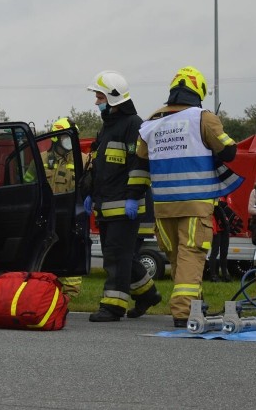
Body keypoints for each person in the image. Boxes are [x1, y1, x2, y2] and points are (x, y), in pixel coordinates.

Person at [133, 66, 243, 328]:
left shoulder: (150, 122)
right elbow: (229, 151)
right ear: (199, 91)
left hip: (163, 207)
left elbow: (140, 162)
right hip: (195, 203)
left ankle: (196, 305)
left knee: (177, 258)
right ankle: (184, 312)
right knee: (191, 256)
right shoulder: (202, 117)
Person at [84, 70, 161, 322]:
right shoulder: (107, 128)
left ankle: (113, 306)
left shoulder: (133, 125)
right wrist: (89, 194)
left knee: (116, 258)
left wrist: (132, 196)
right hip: (106, 206)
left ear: (113, 98)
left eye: (100, 97)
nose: (97, 102)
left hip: (125, 207)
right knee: (120, 256)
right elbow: (99, 166)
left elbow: (139, 164)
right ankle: (148, 294)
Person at [42, 117, 88, 298]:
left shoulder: (83, 160)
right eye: (66, 137)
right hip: (47, 213)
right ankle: (48, 289)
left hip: (71, 213)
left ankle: (71, 293)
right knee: (48, 250)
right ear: (56, 138)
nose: (70, 141)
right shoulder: (42, 159)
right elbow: (30, 182)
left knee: (72, 250)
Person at [209, 197, 237, 282]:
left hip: (225, 228)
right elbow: (212, 215)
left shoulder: (225, 198)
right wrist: (213, 230)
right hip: (216, 229)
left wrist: (228, 224)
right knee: (215, 252)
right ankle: (213, 275)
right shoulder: (213, 198)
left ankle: (225, 275)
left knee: (224, 252)